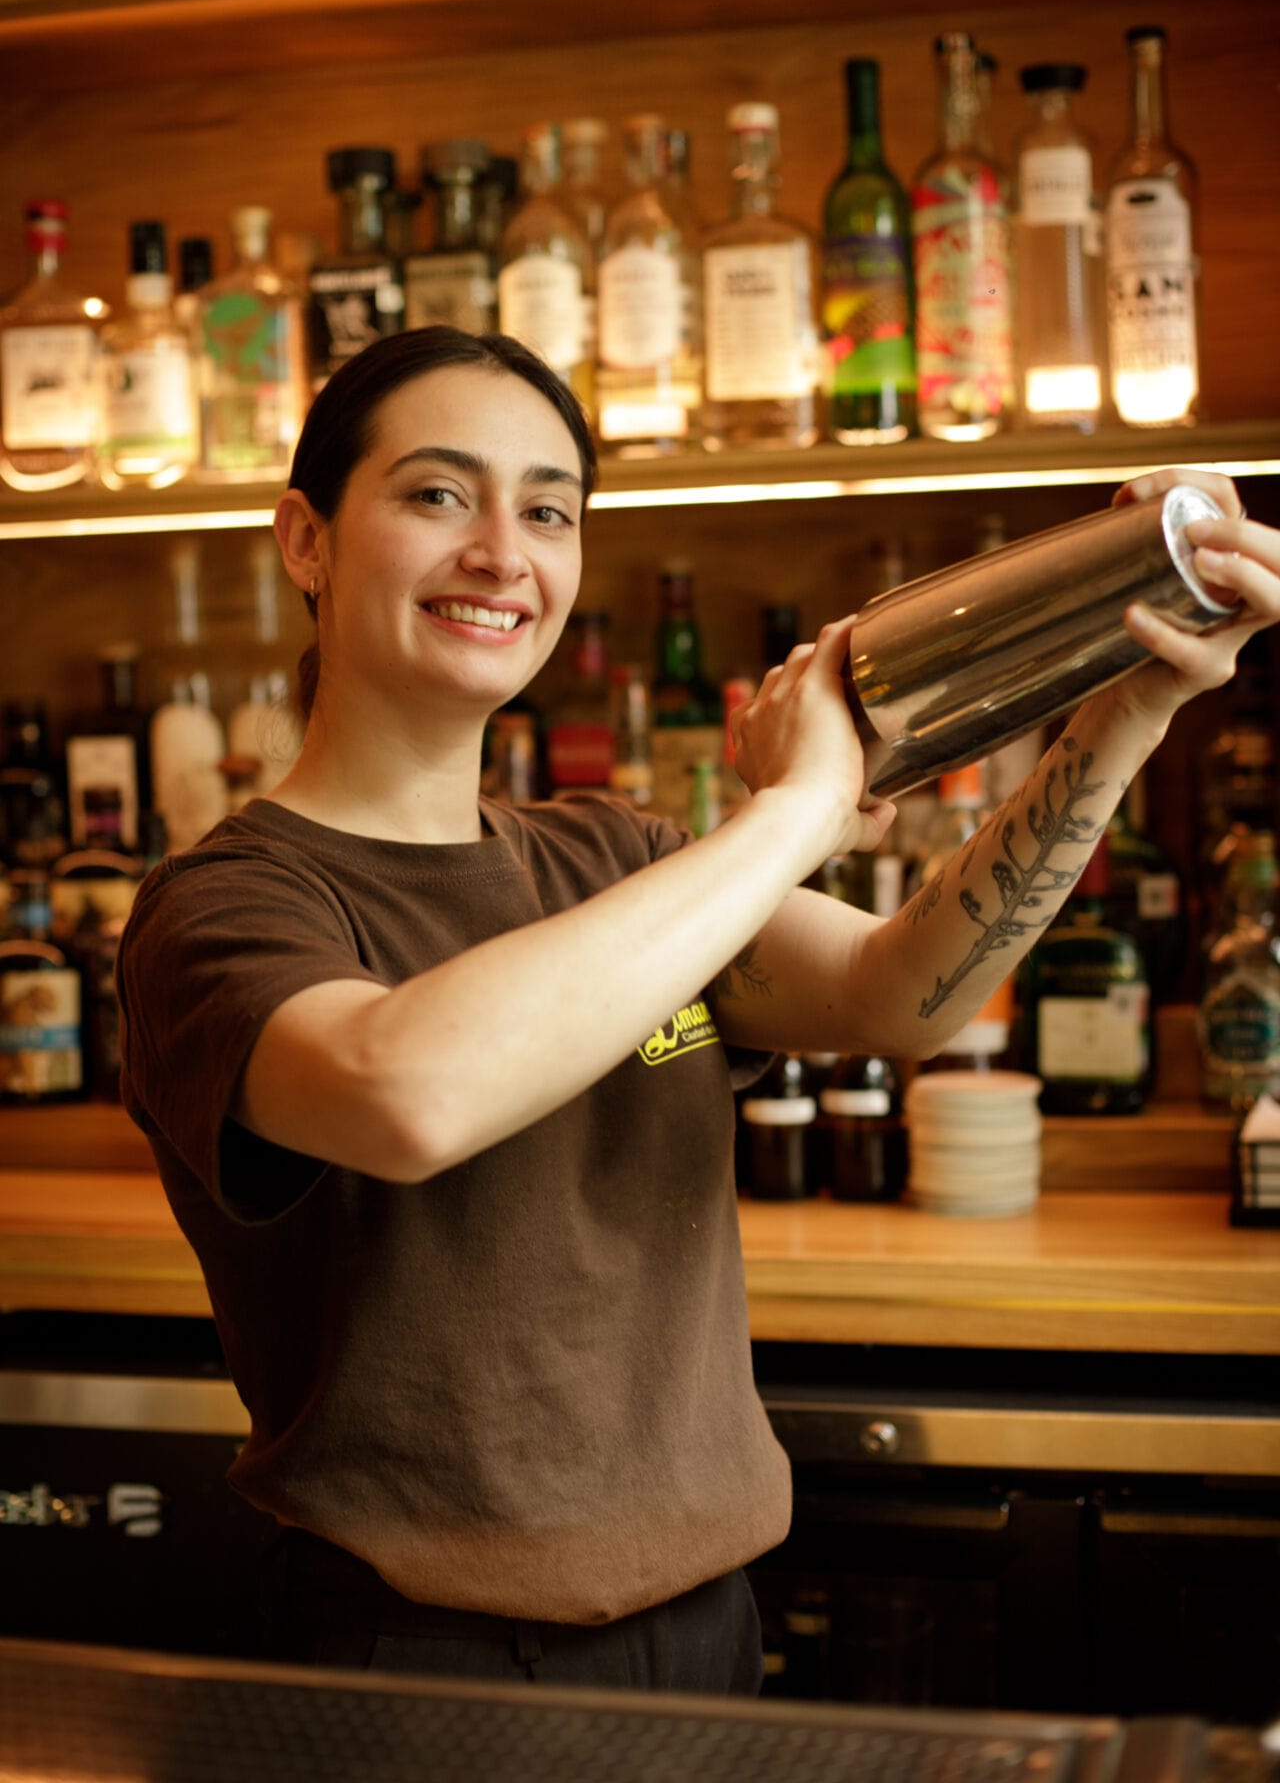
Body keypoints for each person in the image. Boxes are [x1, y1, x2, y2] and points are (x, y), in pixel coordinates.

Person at [117, 325, 1280, 1694]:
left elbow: (899, 993)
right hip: (415, 1661)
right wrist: (794, 812)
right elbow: (406, 1093)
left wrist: (1126, 710)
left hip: (706, 1634)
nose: (503, 553)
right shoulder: (226, 905)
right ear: (306, 539)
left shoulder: (616, 857)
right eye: (439, 495)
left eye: (549, 510)